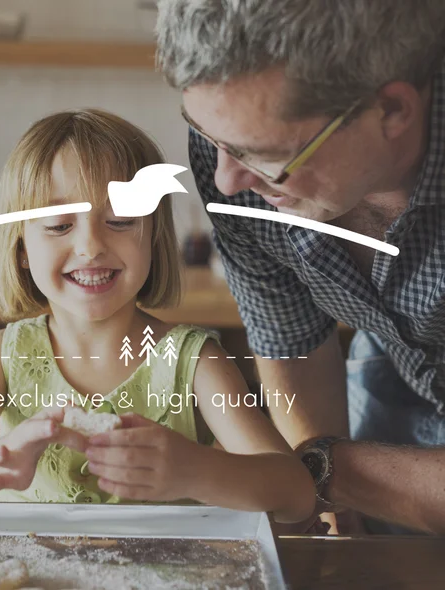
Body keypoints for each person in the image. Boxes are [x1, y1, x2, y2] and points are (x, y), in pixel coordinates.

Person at [0, 108, 315, 524]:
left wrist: (196, 470)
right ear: (21, 248)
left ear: (153, 234)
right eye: (60, 225)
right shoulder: (3, 357)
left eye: (120, 220)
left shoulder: (195, 362)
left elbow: (294, 493)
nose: (91, 245)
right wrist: (2, 458)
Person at [156, 0, 445, 534]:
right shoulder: (233, 152)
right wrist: (330, 509)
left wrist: (324, 469)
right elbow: (292, 341)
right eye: (209, 137)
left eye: (266, 157)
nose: (225, 180)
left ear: (392, 113)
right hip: (395, 367)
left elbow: (319, 468)